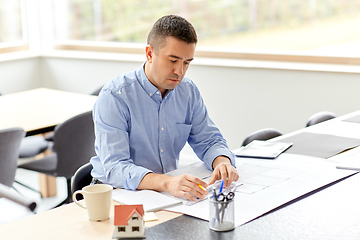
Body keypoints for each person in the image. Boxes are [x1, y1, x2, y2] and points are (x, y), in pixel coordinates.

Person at [90, 15, 239, 201]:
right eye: (173, 60)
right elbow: (115, 168)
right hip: (114, 193)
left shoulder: (188, 92)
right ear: (150, 54)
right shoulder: (115, 96)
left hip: (161, 194)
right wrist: (167, 182)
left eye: (187, 63)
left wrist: (222, 163)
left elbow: (209, 140)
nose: (180, 71)